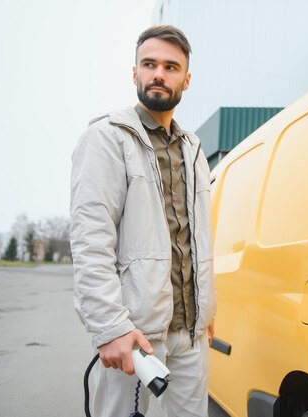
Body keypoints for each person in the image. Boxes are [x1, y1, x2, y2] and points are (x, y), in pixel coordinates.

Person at [70, 25, 216, 417]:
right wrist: (111, 327)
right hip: (132, 333)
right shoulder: (106, 138)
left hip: (190, 334)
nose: (158, 74)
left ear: (187, 78)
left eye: (171, 67)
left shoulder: (195, 151)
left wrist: (205, 313)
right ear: (134, 73)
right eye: (149, 64)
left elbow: (198, 240)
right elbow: (90, 242)